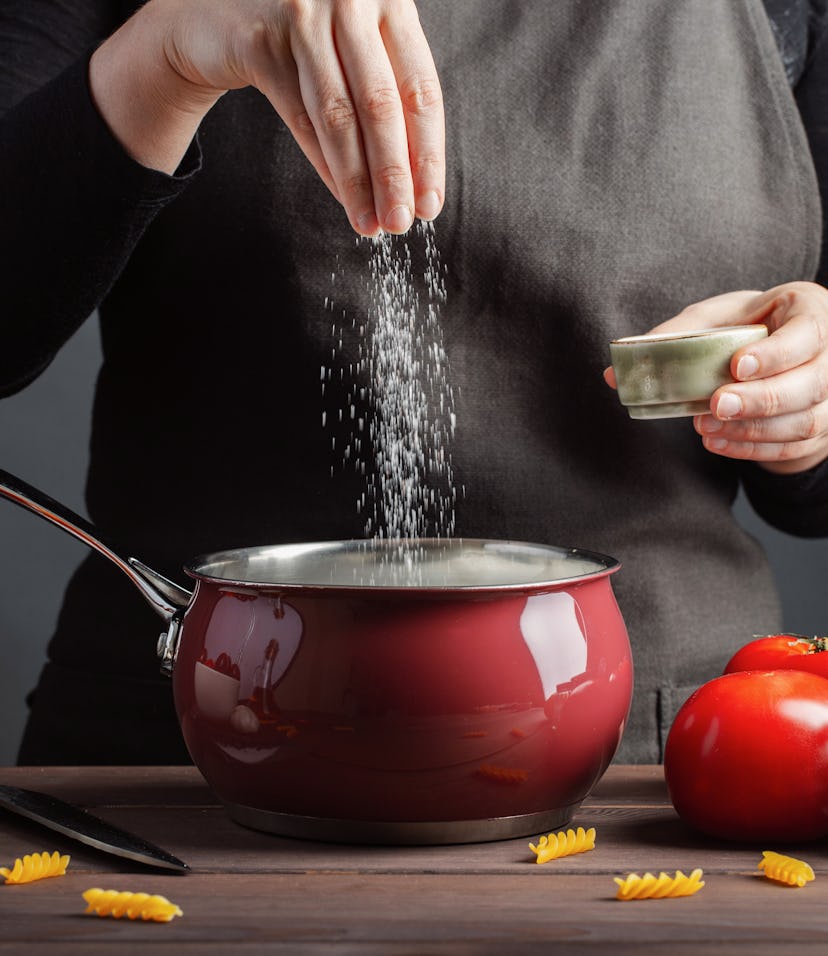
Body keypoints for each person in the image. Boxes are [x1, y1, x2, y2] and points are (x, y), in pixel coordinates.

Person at [2, 0, 828, 767]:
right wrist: (164, 58)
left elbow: (813, 501)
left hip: (669, 765)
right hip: (188, 752)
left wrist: (803, 399)